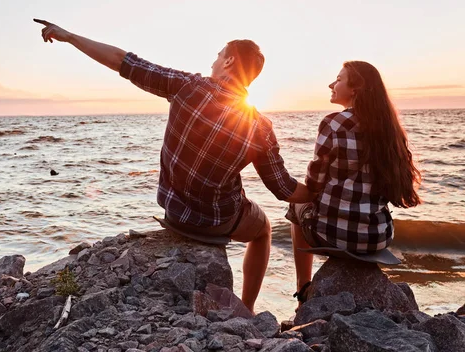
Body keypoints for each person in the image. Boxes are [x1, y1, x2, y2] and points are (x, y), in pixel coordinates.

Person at [33, 18, 314, 313]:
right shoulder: (259, 125)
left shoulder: (187, 86)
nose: (214, 60)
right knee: (264, 228)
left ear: (230, 60)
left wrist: (69, 36)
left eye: (219, 55)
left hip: (176, 214)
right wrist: (319, 191)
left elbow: (122, 61)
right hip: (219, 221)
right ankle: (247, 308)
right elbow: (284, 188)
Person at [286, 61, 422, 304]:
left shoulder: (333, 123)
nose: (332, 84)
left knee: (296, 207)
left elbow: (314, 183)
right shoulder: (390, 129)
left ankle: (303, 288)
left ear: (355, 88)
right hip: (377, 237)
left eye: (338, 79)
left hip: (336, 235)